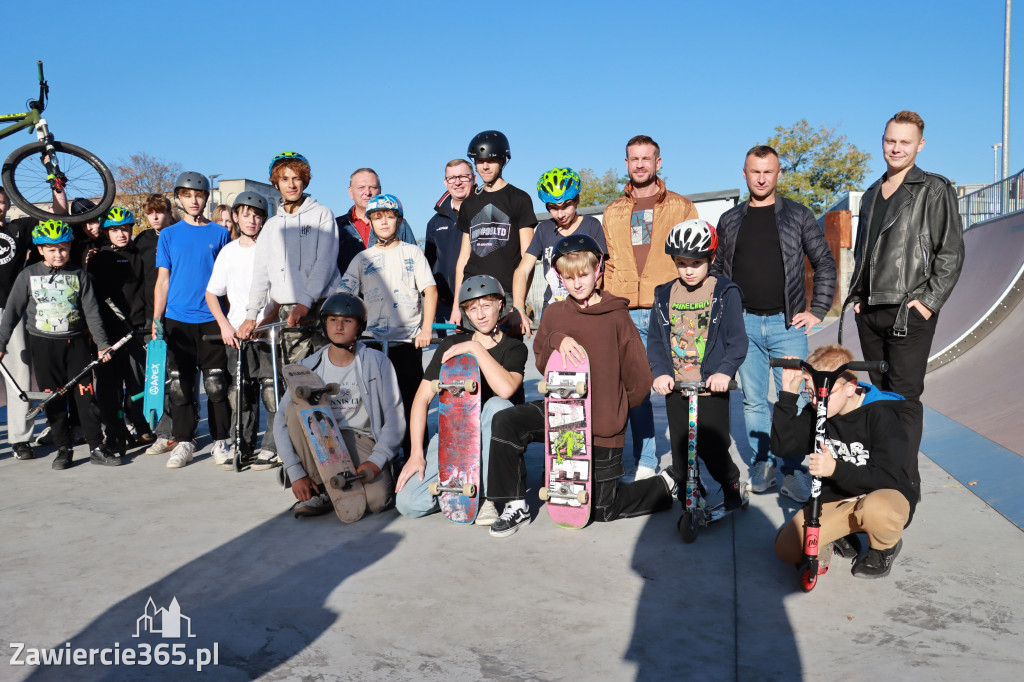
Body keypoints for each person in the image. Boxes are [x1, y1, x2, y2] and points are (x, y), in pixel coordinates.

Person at [485, 235, 674, 538]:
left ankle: (664, 485)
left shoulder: (617, 315)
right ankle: (514, 502)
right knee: (506, 421)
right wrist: (558, 339)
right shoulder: (555, 313)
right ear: (559, 277)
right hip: (561, 415)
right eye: (569, 277)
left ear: (598, 270)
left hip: (601, 424)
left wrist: (615, 411)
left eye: (583, 274)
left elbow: (638, 377)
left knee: (600, 510)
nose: (577, 283)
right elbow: (543, 360)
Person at [846, 110, 965, 497]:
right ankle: (884, 473)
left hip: (908, 311)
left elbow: (951, 253)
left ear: (920, 145)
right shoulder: (869, 194)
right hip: (871, 312)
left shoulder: (933, 189)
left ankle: (904, 483)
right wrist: (859, 298)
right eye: (890, 140)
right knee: (879, 398)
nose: (896, 148)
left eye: (904, 142)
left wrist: (928, 302)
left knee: (905, 399)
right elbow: (864, 252)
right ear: (882, 140)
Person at [711, 145, 837, 503]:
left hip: (788, 327)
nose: (762, 178)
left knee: (794, 402)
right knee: (753, 401)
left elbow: (824, 263)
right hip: (744, 325)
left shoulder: (798, 215)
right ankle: (763, 466)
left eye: (768, 171)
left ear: (778, 173)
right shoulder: (731, 220)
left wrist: (818, 309)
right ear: (745, 173)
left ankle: (793, 470)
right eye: (755, 171)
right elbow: (718, 270)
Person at [772, 344, 916, 579]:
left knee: (877, 509)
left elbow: (888, 476)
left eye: (824, 393)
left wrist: (835, 468)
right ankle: (842, 535)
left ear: (850, 388)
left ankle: (884, 548)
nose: (816, 400)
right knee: (787, 551)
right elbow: (783, 446)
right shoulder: (818, 410)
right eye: (809, 391)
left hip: (882, 495)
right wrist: (788, 394)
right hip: (837, 500)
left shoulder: (881, 415)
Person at [602, 135, 699, 480]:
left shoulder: (682, 207)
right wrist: (611, 307)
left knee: (681, 385)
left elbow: (693, 259)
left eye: (647, 158)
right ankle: (645, 460)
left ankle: (687, 460)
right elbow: (608, 266)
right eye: (634, 159)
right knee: (637, 391)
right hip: (626, 311)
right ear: (626, 164)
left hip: (669, 310)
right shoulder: (613, 212)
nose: (640, 164)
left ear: (659, 163)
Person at [395, 275, 527, 525]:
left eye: (486, 305)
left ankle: (488, 497)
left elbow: (506, 390)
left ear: (500, 304)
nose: (480, 314)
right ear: (465, 312)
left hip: (494, 440)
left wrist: (476, 349)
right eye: (473, 308)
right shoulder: (451, 344)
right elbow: (422, 399)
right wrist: (416, 454)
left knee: (496, 406)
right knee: (408, 502)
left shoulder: (514, 348)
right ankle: (462, 488)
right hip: (455, 434)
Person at [0, 219, 119, 469]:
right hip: (44, 348)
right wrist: (1, 344)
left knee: (86, 398)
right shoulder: (28, 276)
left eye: (63, 248)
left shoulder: (79, 275)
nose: (58, 254)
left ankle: (97, 446)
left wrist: (102, 344)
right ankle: (63, 449)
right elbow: (11, 313)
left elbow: (92, 313)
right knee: (54, 401)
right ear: (40, 250)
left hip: (75, 346)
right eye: (52, 249)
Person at [275, 293, 404, 518]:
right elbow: (280, 422)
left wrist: (376, 461)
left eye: (347, 321)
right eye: (333, 320)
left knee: (377, 501)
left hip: (361, 439)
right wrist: (295, 473)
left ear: (359, 326)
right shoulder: (309, 366)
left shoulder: (377, 362)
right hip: (321, 439)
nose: (339, 326)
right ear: (324, 324)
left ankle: (337, 487)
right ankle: (321, 488)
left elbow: (395, 417)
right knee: (293, 413)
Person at [647, 220, 747, 509]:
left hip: (710, 388)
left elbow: (737, 340)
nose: (689, 270)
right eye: (681, 263)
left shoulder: (725, 293)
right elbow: (655, 340)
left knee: (713, 449)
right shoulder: (664, 295)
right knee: (682, 451)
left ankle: (732, 484)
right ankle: (692, 490)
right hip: (678, 388)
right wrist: (660, 372)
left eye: (697, 262)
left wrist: (725, 370)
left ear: (711, 259)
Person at [337, 193, 437, 460]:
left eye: (389, 217)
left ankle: (417, 455)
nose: (384, 222)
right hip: (372, 343)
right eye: (377, 217)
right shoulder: (362, 259)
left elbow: (430, 290)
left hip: (407, 342)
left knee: (411, 403)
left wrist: (426, 329)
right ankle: (381, 459)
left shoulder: (412, 252)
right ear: (370, 222)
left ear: (399, 221)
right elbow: (344, 296)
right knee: (376, 406)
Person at [152, 171, 232, 468]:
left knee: (216, 383)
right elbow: (163, 279)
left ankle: (220, 440)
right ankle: (184, 440)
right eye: (187, 195)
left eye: (199, 195)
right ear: (179, 199)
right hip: (177, 318)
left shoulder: (219, 233)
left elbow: (228, 278)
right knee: (180, 384)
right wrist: (156, 318)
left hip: (212, 317)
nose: (194, 200)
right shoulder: (169, 234)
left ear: (206, 198)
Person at [238, 152, 339, 367]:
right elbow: (261, 273)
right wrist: (251, 314)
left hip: (322, 305)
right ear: (276, 184)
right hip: (288, 309)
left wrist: (305, 302)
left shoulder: (321, 214)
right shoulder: (272, 226)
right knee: (297, 377)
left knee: (330, 374)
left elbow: (326, 262)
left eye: (296, 178)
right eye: (284, 179)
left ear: (305, 181)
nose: (291, 185)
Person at [205, 191, 279, 469]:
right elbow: (212, 293)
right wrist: (225, 326)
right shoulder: (229, 251)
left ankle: (271, 447)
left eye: (258, 215)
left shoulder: (272, 250)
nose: (252, 220)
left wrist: (265, 321)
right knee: (241, 393)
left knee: (272, 391)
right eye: (246, 214)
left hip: (268, 332)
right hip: (237, 333)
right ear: (236, 217)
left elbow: (279, 295)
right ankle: (243, 444)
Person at [0, 184, 67, 459]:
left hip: (9, 311)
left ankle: (20, 440)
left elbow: (59, 217)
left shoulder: (18, 229)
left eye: (2, 202)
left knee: (20, 376)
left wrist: (57, 185)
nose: (0, 207)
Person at [450, 130, 537, 330]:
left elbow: (528, 257)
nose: (485, 166)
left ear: (504, 160)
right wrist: (456, 305)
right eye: (480, 161)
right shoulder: (469, 204)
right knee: (472, 358)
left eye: (492, 160)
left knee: (506, 358)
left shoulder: (519, 199)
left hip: (504, 296)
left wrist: (519, 305)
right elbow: (463, 258)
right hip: (470, 295)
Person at [512, 167, 606, 336]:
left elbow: (602, 271)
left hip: (587, 309)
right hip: (554, 311)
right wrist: (518, 308)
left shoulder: (592, 225)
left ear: (577, 199)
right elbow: (522, 270)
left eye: (566, 206)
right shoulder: (544, 229)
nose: (560, 214)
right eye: (553, 208)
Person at [88, 206, 151, 453]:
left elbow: (147, 291)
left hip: (135, 329)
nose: (121, 234)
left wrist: (147, 324)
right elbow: (91, 297)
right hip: (108, 333)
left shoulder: (139, 256)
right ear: (106, 233)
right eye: (114, 230)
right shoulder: (98, 258)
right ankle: (114, 431)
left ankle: (141, 425)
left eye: (125, 229)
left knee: (137, 383)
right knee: (108, 385)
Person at [137, 193, 184, 455]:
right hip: (151, 317)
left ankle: (184, 429)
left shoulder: (179, 234)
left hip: (178, 314)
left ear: (169, 213)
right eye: (150, 213)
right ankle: (164, 433)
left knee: (180, 375)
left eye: (160, 212)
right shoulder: (142, 240)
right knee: (158, 376)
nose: (155, 217)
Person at [336, 168, 417, 277]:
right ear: (350, 191)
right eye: (361, 187)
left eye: (373, 187)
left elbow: (414, 264)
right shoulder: (336, 227)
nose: (368, 193)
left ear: (380, 190)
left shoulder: (399, 224)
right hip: (346, 292)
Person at [424, 159, 476, 329]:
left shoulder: (486, 214)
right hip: (445, 309)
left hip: (480, 303)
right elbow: (428, 265)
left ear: (474, 179)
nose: (458, 182)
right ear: (445, 183)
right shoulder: (434, 223)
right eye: (452, 178)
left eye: (463, 176)